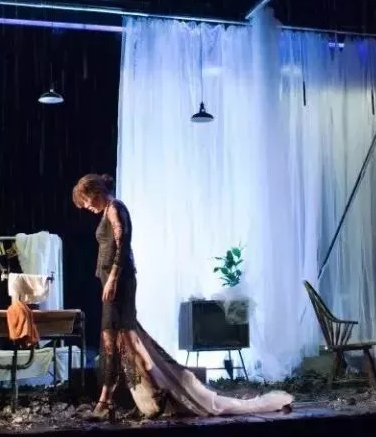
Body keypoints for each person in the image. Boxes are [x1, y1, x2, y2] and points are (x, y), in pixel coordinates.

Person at [71, 173, 293, 420]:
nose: (87, 207)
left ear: (96, 192)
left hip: (120, 283)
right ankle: (151, 393)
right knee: (127, 341)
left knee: (114, 341)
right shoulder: (108, 210)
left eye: (87, 201)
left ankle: (108, 402)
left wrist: (113, 278)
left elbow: (122, 243)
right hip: (115, 282)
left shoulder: (115, 208)